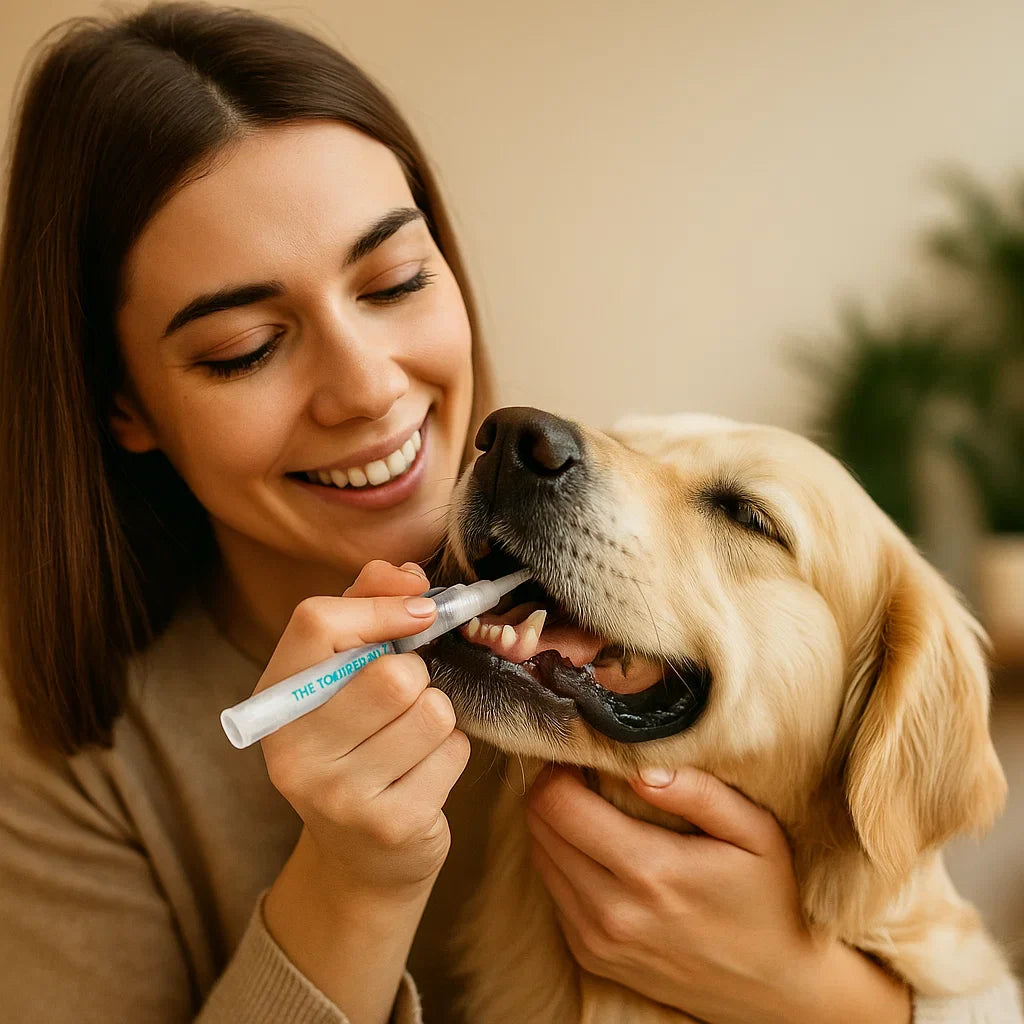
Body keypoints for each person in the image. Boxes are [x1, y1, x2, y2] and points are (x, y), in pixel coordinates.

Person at [0, 4, 1019, 1023]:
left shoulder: (588, 577)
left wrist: (811, 996)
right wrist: (350, 879)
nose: (368, 389)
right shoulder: (63, 760)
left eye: (396, 280)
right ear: (122, 401)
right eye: (244, 347)